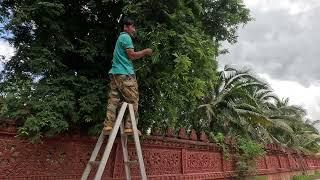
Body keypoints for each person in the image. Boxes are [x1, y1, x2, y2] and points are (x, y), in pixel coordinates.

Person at [103, 17, 153, 135]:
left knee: (113, 99)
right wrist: (145, 52)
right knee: (133, 99)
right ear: (126, 26)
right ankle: (130, 127)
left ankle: (108, 125)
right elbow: (132, 55)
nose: (134, 30)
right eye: (132, 27)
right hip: (125, 74)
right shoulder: (126, 37)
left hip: (115, 73)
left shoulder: (120, 38)